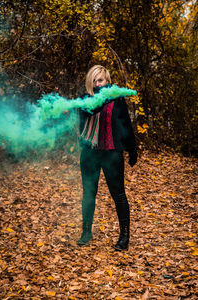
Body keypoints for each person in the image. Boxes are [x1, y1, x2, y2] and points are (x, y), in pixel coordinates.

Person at [77, 65, 137, 250]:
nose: (97, 84)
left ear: (107, 80)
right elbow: (89, 112)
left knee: (118, 195)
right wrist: (101, 99)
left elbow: (125, 124)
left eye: (100, 80)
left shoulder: (117, 98)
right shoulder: (85, 99)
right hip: (90, 153)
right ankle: (86, 232)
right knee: (88, 194)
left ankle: (124, 237)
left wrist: (132, 149)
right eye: (94, 81)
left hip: (111, 152)